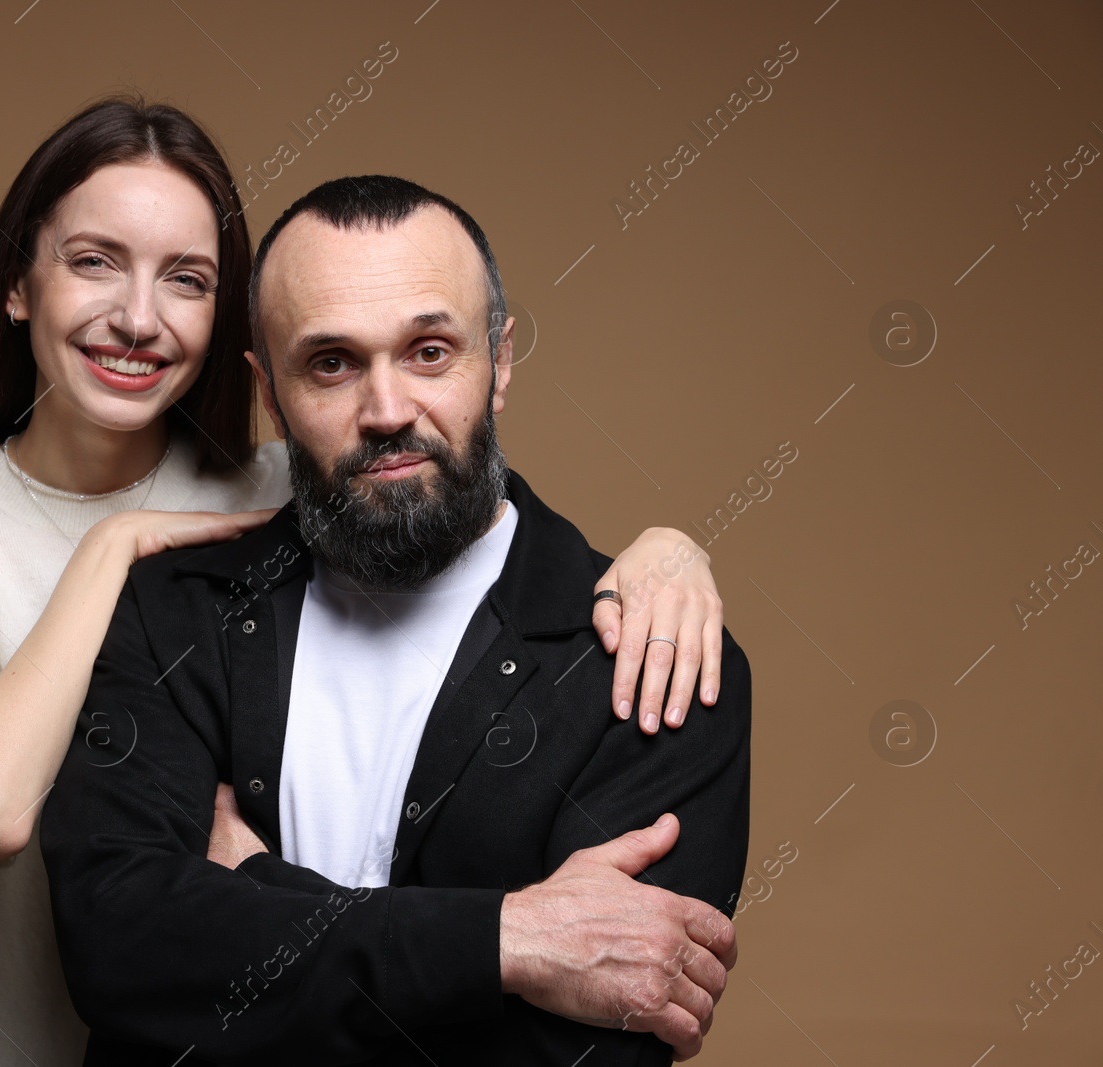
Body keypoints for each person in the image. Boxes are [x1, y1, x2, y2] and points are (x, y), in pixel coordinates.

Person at [0, 99, 731, 1067]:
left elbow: (462, 495)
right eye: (92, 261)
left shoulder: (287, 487)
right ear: (14, 283)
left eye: (187, 279)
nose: (136, 316)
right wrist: (110, 549)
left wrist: (668, 551)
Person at [38, 175, 751, 1065]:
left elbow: (580, 1052)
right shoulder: (171, 609)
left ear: (499, 361)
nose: (386, 411)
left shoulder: (651, 658)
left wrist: (257, 888)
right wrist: (508, 942)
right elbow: (124, 954)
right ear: (270, 391)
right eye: (331, 362)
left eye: (429, 351)